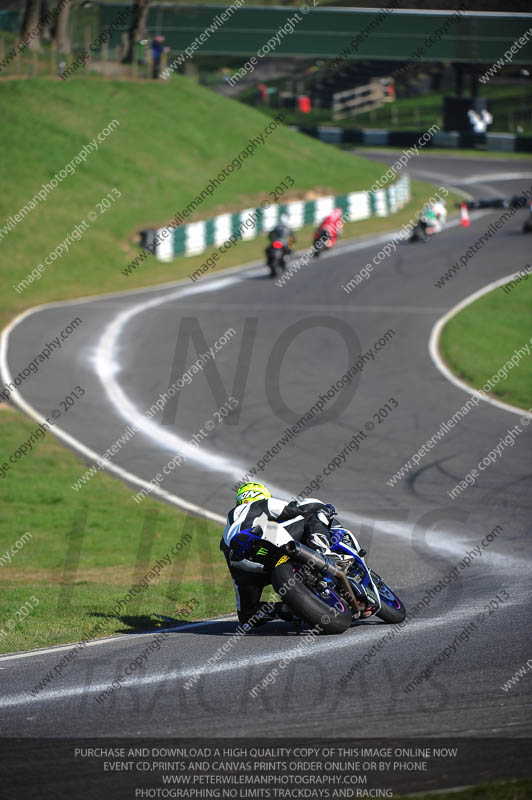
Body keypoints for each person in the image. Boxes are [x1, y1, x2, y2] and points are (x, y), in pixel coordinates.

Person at [220, 482, 361, 627]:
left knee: (248, 614)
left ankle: (288, 610)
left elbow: (237, 577)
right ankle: (325, 553)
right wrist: (322, 507)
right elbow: (294, 508)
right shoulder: (260, 504)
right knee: (310, 516)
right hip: (266, 539)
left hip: (245, 563)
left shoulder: (227, 532)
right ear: (260, 495)